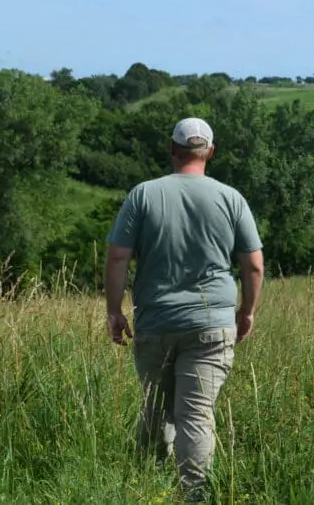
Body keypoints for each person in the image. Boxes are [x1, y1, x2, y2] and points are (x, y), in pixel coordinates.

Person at [104, 116, 265, 501]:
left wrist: (114, 311)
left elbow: (117, 257)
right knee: (195, 415)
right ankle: (193, 497)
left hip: (156, 320)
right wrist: (247, 312)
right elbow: (254, 264)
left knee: (157, 411)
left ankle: (150, 490)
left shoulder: (143, 194)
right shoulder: (231, 199)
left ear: (172, 149)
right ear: (210, 152)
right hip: (213, 324)